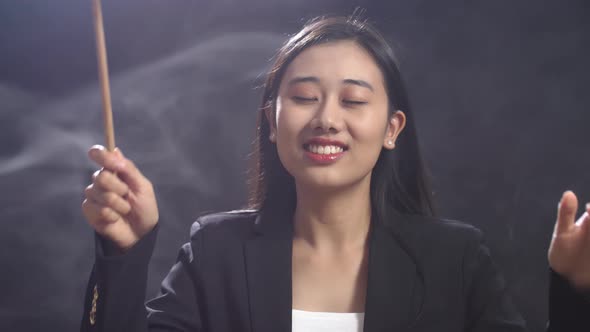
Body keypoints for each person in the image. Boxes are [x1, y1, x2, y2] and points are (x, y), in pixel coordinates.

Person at [80, 16, 590, 332]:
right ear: (272, 124)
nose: (325, 117)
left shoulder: (455, 260)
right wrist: (125, 253)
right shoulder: (216, 253)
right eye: (303, 97)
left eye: (353, 100)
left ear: (392, 128)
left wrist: (574, 292)